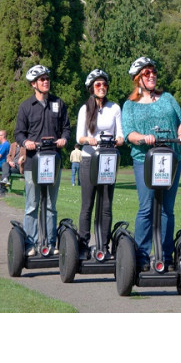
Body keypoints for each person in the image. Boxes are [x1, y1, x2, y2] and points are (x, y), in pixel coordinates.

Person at [122, 57, 181, 272]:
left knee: (167, 209)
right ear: (137, 78)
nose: (152, 76)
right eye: (146, 73)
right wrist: (143, 137)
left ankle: (166, 257)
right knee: (147, 207)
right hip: (145, 160)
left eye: (154, 72)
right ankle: (142, 256)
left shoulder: (167, 97)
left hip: (171, 158)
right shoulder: (130, 105)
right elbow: (129, 134)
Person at [14, 65, 70, 256]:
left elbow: (66, 128)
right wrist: (26, 142)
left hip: (53, 161)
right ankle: (30, 243)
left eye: (47, 78)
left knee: (50, 205)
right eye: (41, 79)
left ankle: (50, 242)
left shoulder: (58, 103)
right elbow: (18, 133)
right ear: (33, 84)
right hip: (33, 162)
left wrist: (64, 138)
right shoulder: (26, 107)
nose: (46, 81)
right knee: (32, 204)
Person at [76, 69, 124, 258]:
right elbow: (79, 137)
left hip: (108, 160)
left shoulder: (115, 108)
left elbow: (120, 133)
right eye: (98, 84)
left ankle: (103, 245)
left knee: (105, 205)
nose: (102, 87)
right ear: (91, 88)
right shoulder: (84, 109)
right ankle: (82, 245)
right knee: (87, 204)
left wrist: (119, 139)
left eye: (104, 84)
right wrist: (90, 140)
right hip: (89, 159)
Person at [0, 130, 11, 196]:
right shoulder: (1, 145)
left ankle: (2, 190)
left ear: (3, 136)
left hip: (2, 165)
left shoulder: (6, 144)